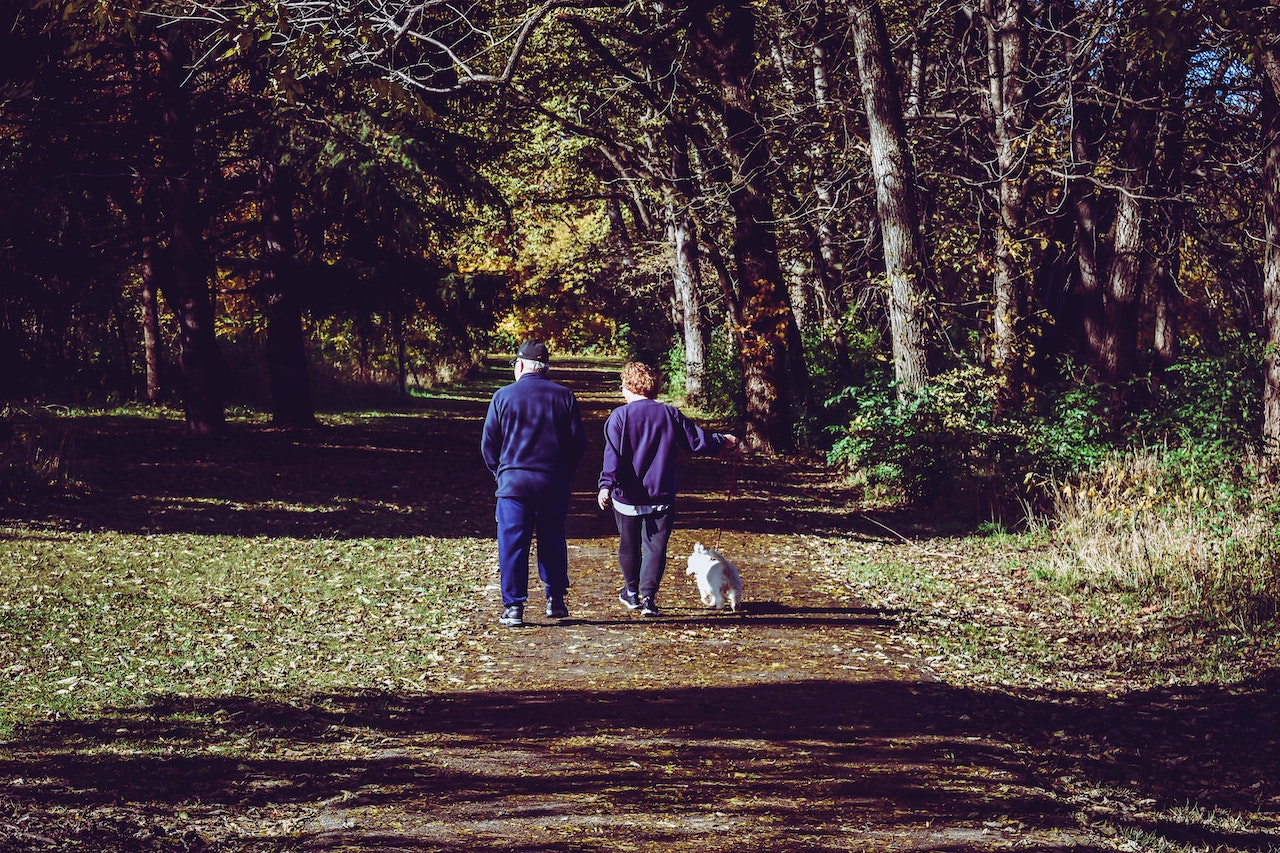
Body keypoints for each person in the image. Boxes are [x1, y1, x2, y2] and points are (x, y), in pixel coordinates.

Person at [597, 360, 738, 617]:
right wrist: (723, 442)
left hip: (626, 496)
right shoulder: (669, 414)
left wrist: (606, 485)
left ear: (629, 387)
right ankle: (648, 597)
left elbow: (612, 456)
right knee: (655, 547)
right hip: (660, 494)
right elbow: (697, 441)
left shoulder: (619, 417)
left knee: (629, 545)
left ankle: (631, 592)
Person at [481, 340, 588, 628]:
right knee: (552, 539)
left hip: (514, 484)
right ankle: (555, 599)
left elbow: (489, 444)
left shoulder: (502, 397)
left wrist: (500, 473)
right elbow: (578, 443)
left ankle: (514, 607)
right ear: (546, 367)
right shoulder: (564, 397)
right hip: (552, 482)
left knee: (512, 544)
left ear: (520, 365)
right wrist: (565, 472)